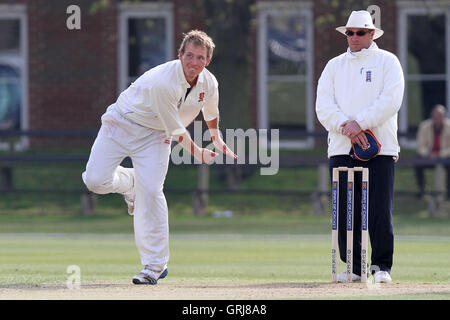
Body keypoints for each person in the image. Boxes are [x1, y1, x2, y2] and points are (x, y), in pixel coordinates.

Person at [82, 30, 237, 285]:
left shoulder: (209, 82)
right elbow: (176, 130)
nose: (194, 62)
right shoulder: (163, 82)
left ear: (207, 60)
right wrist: (198, 152)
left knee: (152, 191)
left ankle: (154, 266)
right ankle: (131, 184)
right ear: (180, 55)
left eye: (200, 57)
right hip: (121, 123)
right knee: (95, 181)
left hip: (155, 135)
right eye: (189, 56)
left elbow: (211, 110)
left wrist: (216, 137)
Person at [316, 10, 405, 283]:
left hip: (380, 147)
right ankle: (355, 267)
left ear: (371, 34)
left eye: (360, 32)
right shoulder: (334, 66)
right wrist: (347, 126)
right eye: (350, 32)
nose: (354, 37)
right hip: (342, 145)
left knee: (378, 209)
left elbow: (391, 100)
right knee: (345, 210)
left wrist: (361, 124)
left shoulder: (387, 62)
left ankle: (381, 266)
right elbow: (323, 106)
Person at [415, 104, 450, 199]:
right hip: (428, 157)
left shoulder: (449, 126)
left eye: (440, 116)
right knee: (417, 163)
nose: (437, 118)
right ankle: (422, 189)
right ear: (432, 116)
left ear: (444, 116)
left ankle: (448, 192)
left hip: (444, 157)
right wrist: (428, 154)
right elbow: (420, 146)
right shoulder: (424, 126)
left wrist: (440, 154)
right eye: (435, 116)